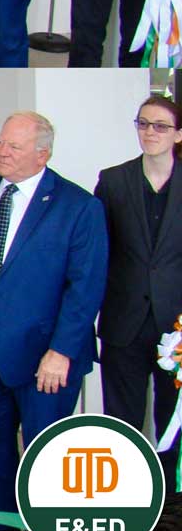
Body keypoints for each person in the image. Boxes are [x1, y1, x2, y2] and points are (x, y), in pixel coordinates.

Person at [0, 112, 108, 531]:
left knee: (44, 450)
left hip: (48, 355)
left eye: (14, 147)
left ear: (42, 154)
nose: (1, 152)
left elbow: (86, 287)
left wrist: (62, 350)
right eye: (1, 142)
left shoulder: (77, 206)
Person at [95, 95, 182, 486]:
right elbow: (98, 253)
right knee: (122, 422)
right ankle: (129, 503)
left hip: (177, 328)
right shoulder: (113, 180)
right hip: (123, 322)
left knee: (173, 425)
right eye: (143, 123)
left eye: (161, 125)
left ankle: (170, 513)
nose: (150, 132)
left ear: (178, 134)